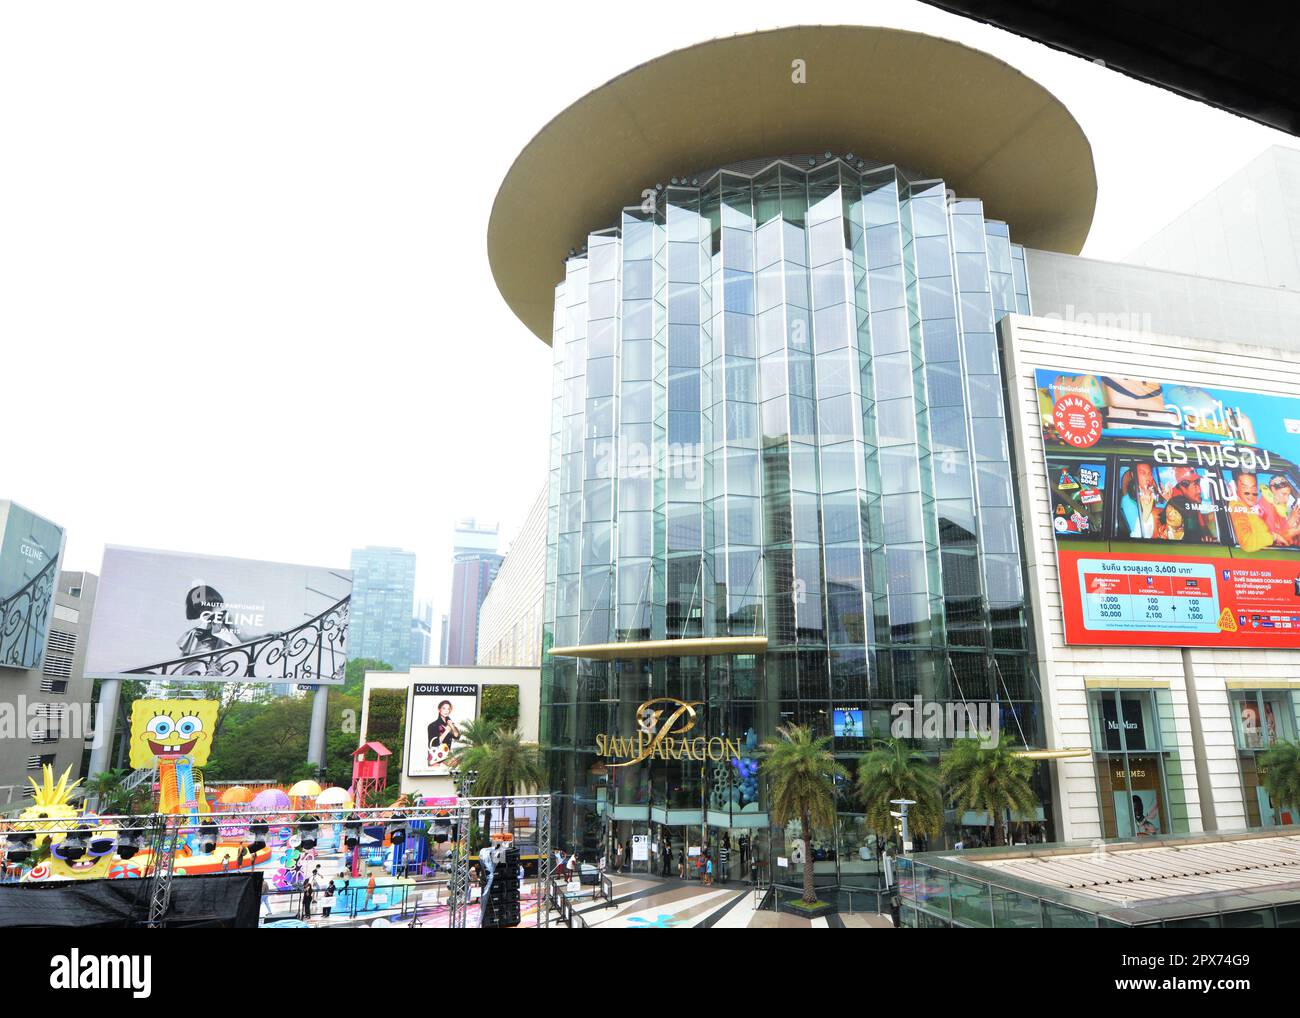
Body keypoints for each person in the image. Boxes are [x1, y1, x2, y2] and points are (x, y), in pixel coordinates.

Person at [1228, 472, 1282, 552]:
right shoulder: (1237, 507)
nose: (1250, 494)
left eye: (1253, 487)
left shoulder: (1249, 509)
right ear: (1236, 488)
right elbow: (1247, 542)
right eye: (1245, 488)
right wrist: (1273, 537)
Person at [1163, 468, 1218, 543]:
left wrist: (1206, 535)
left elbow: (1200, 522)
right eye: (1195, 485)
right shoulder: (1177, 503)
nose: (1199, 490)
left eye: (1198, 484)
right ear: (1183, 486)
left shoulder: (1191, 501)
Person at [1119, 462, 1159, 539]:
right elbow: (1138, 536)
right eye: (1143, 473)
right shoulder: (1127, 500)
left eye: (1150, 473)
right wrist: (1147, 511)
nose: (1148, 477)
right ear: (1133, 475)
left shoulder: (1155, 496)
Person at [426, 699, 462, 767]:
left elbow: (457, 736)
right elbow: (434, 743)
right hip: (435, 756)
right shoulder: (432, 725)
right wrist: (446, 731)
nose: (446, 711)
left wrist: (452, 726)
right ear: (439, 710)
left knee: (456, 766)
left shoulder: (450, 724)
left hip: (446, 754)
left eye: (448, 709)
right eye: (444, 708)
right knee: (433, 776)